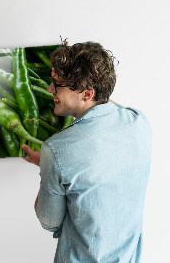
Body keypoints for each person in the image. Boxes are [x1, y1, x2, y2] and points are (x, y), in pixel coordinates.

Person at [21, 42, 152, 262]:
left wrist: (48, 166)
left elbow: (49, 222)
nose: (49, 89)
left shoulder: (56, 150)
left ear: (87, 92)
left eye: (57, 84)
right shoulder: (139, 122)